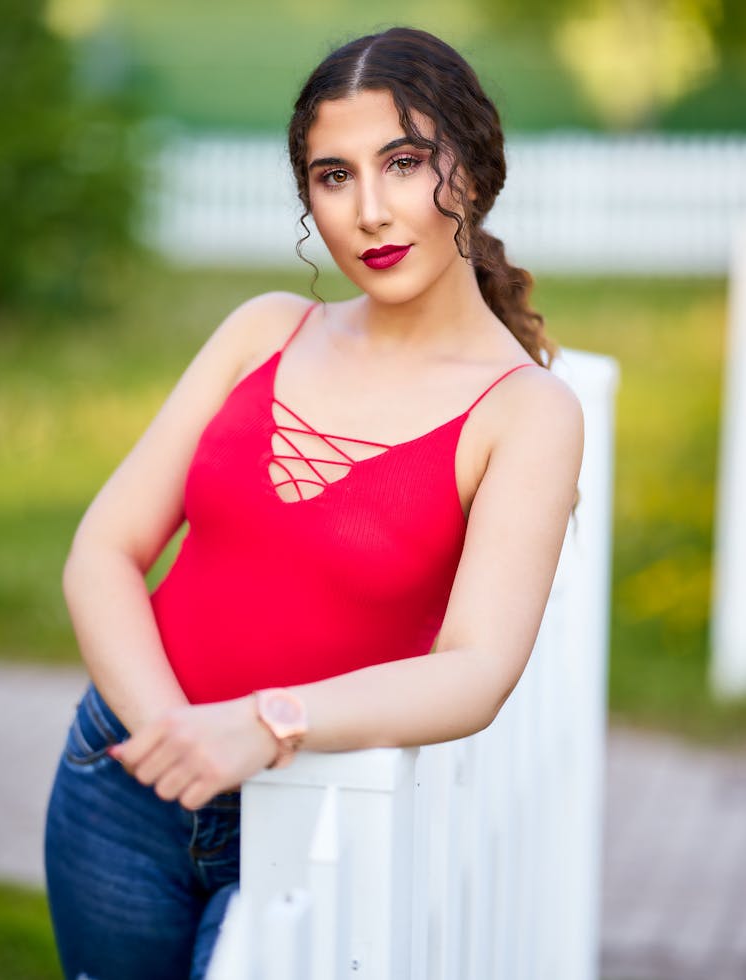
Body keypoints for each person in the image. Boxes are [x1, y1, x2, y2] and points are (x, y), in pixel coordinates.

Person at [44, 25, 583, 980]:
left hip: (314, 821)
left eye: (404, 162)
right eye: (333, 176)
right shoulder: (263, 330)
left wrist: (254, 730)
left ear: (475, 166)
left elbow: (476, 670)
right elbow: (103, 551)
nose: (370, 210)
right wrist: (178, 740)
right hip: (123, 782)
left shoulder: (525, 412)